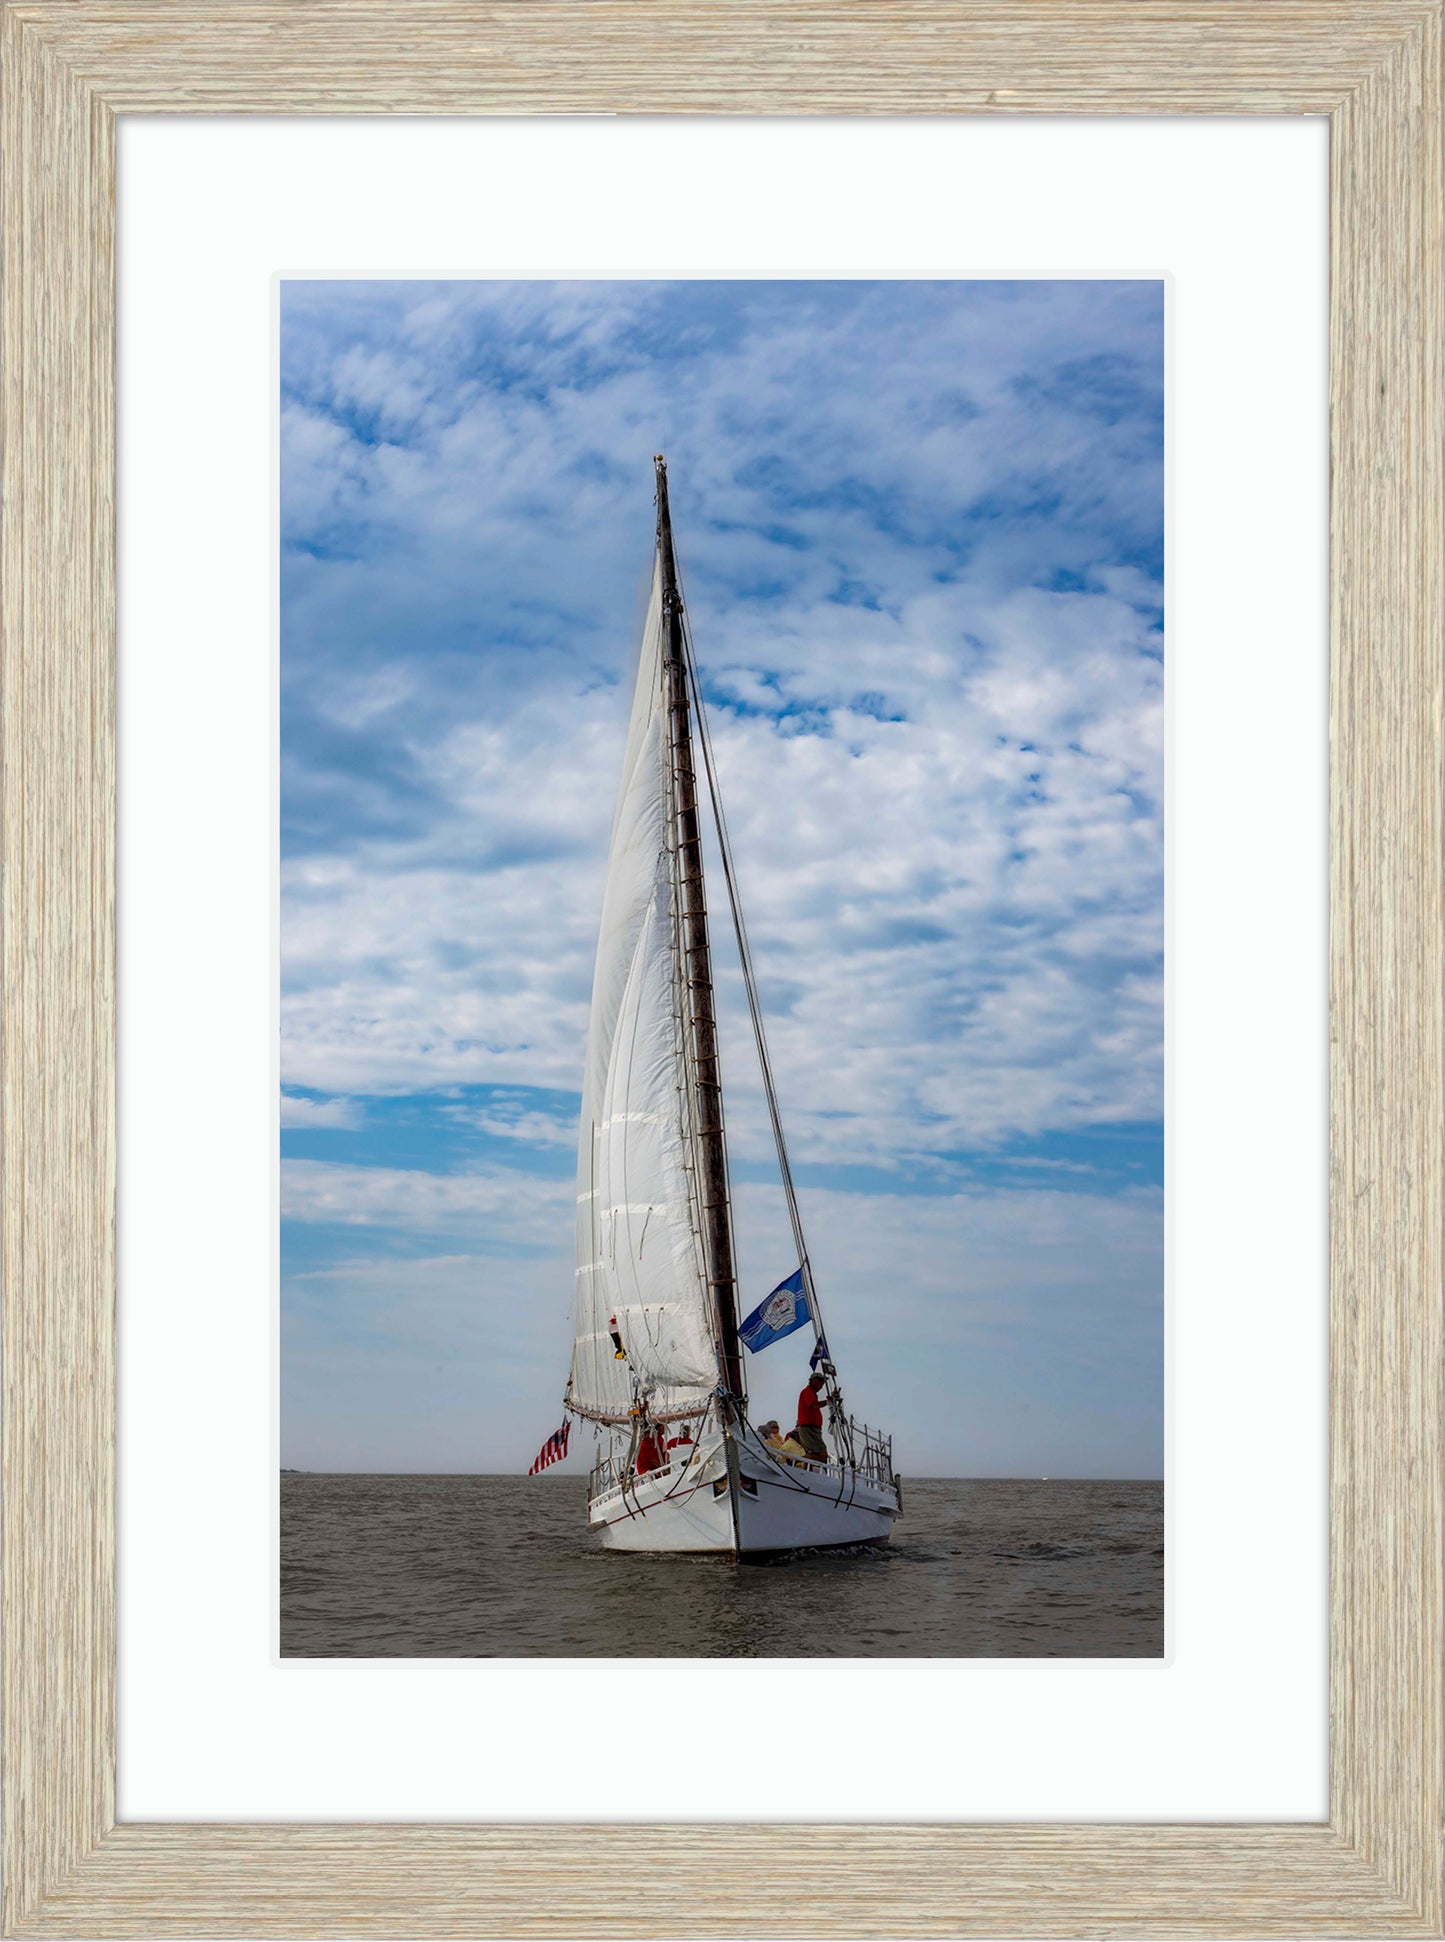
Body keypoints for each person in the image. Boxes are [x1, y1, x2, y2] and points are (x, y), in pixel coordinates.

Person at [793, 1372, 829, 1462]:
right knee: (823, 1456)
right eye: (820, 1381)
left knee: (814, 1454)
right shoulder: (807, 1391)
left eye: (823, 1383)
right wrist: (828, 1401)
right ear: (813, 1380)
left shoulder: (811, 1393)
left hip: (811, 1429)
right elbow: (814, 1405)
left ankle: (804, 1467)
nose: (822, 1385)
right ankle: (797, 1461)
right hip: (809, 1428)